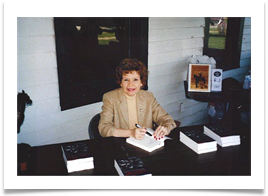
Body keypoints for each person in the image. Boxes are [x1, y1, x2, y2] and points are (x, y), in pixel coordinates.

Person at [98, 58, 177, 140]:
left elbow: (166, 119)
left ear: (141, 82)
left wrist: (166, 128)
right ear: (121, 83)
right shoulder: (110, 98)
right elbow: (103, 128)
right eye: (126, 80)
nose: (130, 84)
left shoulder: (148, 97)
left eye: (135, 79)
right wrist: (130, 133)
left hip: (146, 143)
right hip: (122, 143)